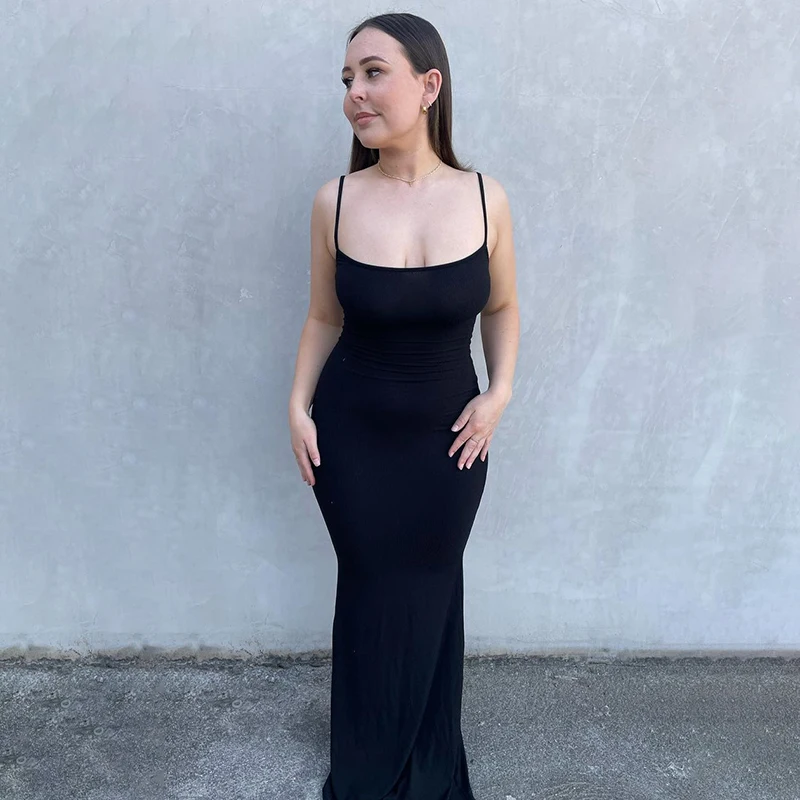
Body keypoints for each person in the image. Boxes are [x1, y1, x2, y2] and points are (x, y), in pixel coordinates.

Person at [288, 12, 520, 799]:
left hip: (449, 442)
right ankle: (367, 766)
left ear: (429, 86)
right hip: (351, 437)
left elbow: (503, 307)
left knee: (432, 583)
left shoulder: (486, 198)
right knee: (370, 586)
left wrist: (500, 393)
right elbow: (324, 317)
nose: (354, 93)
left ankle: (428, 760)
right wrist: (296, 406)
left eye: (372, 73)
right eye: (347, 79)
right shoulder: (334, 201)